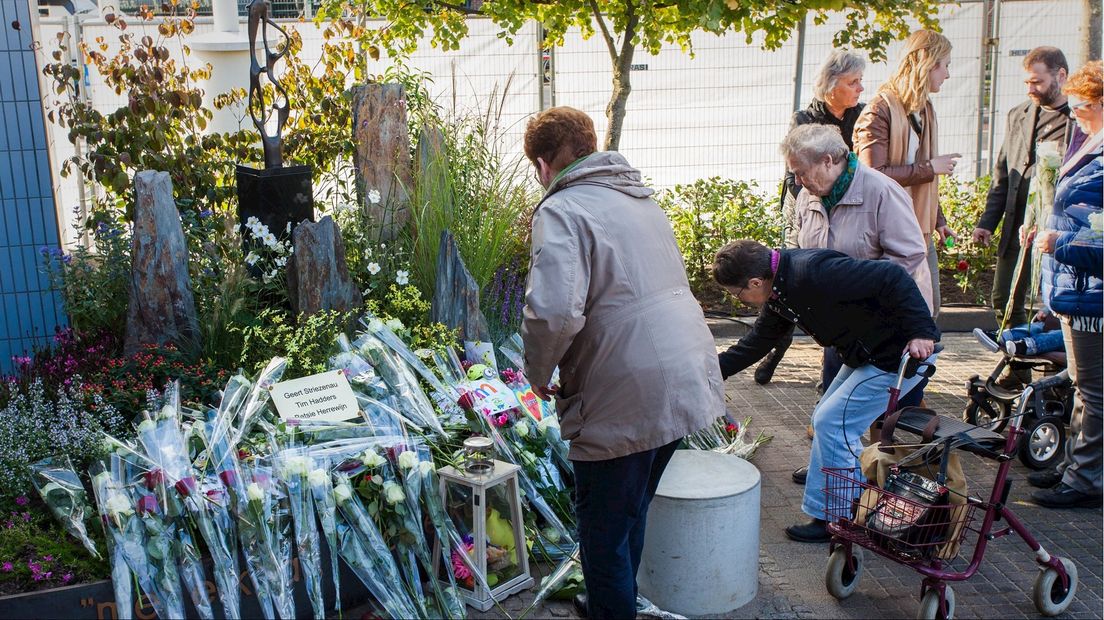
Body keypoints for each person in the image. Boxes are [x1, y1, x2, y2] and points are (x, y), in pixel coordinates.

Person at [520, 107, 724, 618]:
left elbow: (554, 313)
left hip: (624, 388)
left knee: (603, 535)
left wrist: (538, 375)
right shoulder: (640, 200)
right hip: (686, 373)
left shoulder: (562, 210)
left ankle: (612, 605)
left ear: (544, 164)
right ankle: (616, 603)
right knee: (631, 514)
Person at [714, 241, 939, 542]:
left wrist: (921, 331)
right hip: (868, 353)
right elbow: (756, 343)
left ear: (755, 282)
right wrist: (708, 374)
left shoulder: (812, 273)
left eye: (736, 294)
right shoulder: (781, 288)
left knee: (834, 424)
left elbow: (891, 275)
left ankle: (836, 519)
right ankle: (835, 485)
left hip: (898, 356)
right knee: (825, 416)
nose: (739, 300)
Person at [783, 122, 932, 484]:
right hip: (843, 324)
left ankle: (893, 476)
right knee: (832, 399)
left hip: (890, 324)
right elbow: (801, 244)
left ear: (829, 161)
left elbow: (908, 257)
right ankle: (830, 464)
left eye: (801, 173)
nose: (798, 182)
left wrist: (853, 293)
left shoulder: (881, 191)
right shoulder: (810, 194)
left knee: (889, 409)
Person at [757, 50, 869, 386]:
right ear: (832, 85)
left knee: (833, 290)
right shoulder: (804, 119)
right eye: (854, 82)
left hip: (847, 214)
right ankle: (774, 347)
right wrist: (814, 204)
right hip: (805, 210)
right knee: (790, 285)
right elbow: (794, 178)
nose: (860, 89)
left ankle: (831, 374)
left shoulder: (862, 117)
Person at [1025, 61, 1103, 509]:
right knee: (1081, 383)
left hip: (1094, 293)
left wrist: (1062, 242)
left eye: (1084, 105)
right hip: (1076, 286)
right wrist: (1041, 228)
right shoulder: (1088, 140)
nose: (1073, 112)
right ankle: (1077, 465)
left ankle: (1087, 479)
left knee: (1094, 392)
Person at [854, 29, 960, 318]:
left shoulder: (924, 109)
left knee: (928, 312)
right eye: (945, 65)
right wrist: (930, 169)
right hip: (887, 232)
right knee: (902, 316)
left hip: (919, 228)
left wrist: (938, 219)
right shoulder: (880, 110)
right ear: (927, 61)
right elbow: (873, 174)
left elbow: (922, 175)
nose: (947, 74)